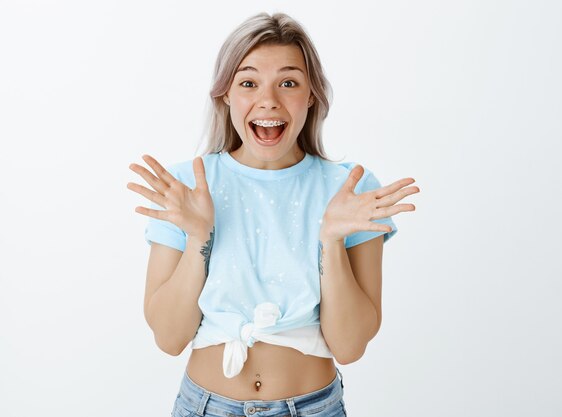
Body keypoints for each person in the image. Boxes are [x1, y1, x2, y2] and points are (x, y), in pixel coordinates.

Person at [127, 11, 419, 417]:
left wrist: (330, 241)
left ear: (311, 94)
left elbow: (349, 347)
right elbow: (170, 338)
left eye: (288, 82)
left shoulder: (350, 190)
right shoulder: (187, 187)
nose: (268, 100)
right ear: (225, 94)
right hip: (205, 407)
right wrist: (199, 238)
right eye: (248, 83)